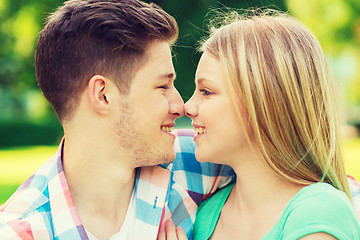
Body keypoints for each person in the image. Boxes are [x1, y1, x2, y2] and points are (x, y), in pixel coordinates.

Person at [0, 0, 235, 239]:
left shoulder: (195, 161)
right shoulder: (22, 231)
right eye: (163, 86)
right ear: (103, 95)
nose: (180, 106)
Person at [183, 10, 360, 240]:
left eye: (206, 91)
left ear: (262, 101)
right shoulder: (206, 215)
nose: (188, 107)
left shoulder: (318, 215)